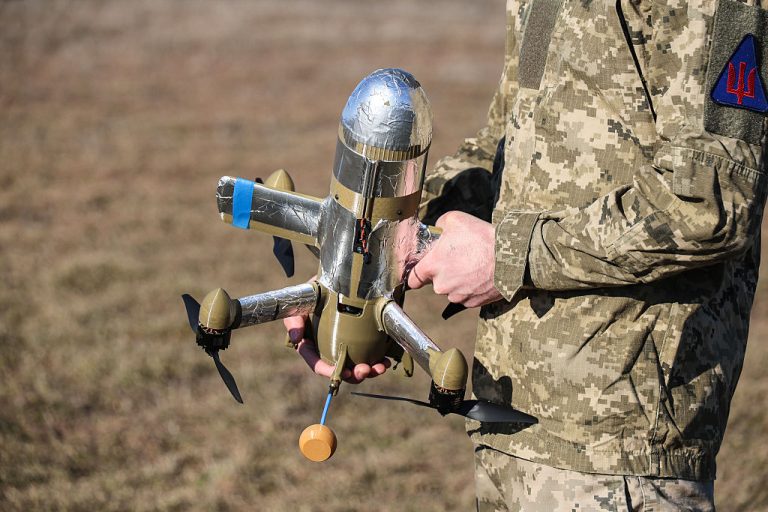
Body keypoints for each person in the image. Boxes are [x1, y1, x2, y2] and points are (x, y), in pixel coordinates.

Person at [287, 0, 768, 509]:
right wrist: (365, 258)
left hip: (618, 444)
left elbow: (710, 202)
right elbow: (504, 147)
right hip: (510, 422)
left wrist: (508, 255)